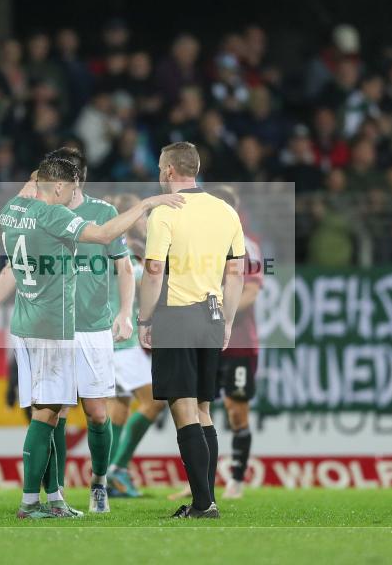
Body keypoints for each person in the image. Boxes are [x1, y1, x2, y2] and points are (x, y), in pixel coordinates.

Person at [0, 155, 183, 520]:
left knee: (93, 414)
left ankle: (92, 484)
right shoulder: (53, 215)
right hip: (55, 325)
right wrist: (146, 204)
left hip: (82, 325)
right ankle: (44, 499)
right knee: (53, 413)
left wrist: (124, 313)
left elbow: (122, 265)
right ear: (60, 184)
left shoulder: (28, 210)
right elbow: (98, 236)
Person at [137, 141, 246, 519]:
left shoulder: (165, 212)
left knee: (183, 409)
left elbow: (153, 272)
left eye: (159, 168)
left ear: (169, 170)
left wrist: (145, 318)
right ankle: (208, 498)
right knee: (203, 409)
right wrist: (228, 319)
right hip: (213, 313)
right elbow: (236, 274)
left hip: (177, 314)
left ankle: (203, 504)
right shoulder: (225, 211)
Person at [106, 193, 168, 498]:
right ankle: (117, 469)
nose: (146, 222)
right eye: (142, 217)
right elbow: (147, 280)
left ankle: (107, 476)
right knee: (155, 400)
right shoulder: (124, 254)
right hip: (119, 344)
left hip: (110, 341)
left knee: (118, 408)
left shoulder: (114, 249)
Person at [205, 185, 263, 500]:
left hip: (239, 343)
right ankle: (199, 481)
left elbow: (250, 292)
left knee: (236, 410)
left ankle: (236, 481)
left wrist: (216, 312)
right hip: (206, 343)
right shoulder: (197, 244)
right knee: (199, 406)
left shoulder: (247, 248)